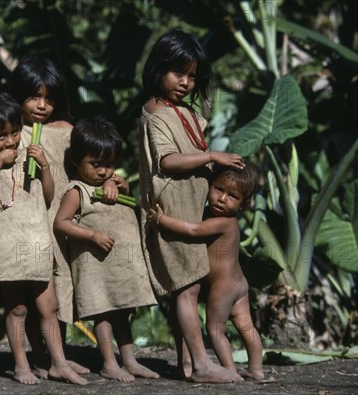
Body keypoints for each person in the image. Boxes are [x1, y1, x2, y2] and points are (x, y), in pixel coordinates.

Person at [138, 28, 245, 383]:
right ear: (158, 70)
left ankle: (188, 365)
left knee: (188, 285)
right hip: (172, 210)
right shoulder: (157, 113)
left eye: (192, 76)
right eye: (177, 73)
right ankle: (200, 363)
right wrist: (212, 154)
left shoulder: (179, 110)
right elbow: (168, 161)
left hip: (187, 207)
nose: (185, 82)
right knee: (187, 288)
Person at [0, 92, 86, 386]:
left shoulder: (24, 160)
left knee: (48, 306)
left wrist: (43, 166)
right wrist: (0, 159)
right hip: (5, 248)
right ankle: (21, 365)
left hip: (37, 242)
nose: (10, 141)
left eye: (15, 133)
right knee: (17, 308)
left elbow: (48, 195)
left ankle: (57, 362)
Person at [54, 117, 159, 382]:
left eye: (109, 165)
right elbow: (61, 222)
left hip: (119, 268)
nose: (103, 172)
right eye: (96, 164)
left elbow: (130, 205)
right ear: (77, 162)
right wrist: (91, 235)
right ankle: (109, 362)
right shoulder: (77, 191)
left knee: (123, 311)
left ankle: (130, 360)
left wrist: (122, 185)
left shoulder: (114, 183)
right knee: (103, 314)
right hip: (95, 269)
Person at [6, 56, 90, 377]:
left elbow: (84, 167)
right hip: (28, 222)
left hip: (61, 221)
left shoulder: (67, 131)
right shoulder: (13, 134)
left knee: (62, 290)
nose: (42, 106)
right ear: (18, 97)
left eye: (49, 98)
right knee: (33, 294)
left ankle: (60, 355)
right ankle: (42, 357)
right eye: (34, 97)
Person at [148, 165, 265, 381]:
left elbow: (192, 230)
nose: (222, 199)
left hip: (224, 285)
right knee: (246, 326)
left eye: (232, 196)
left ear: (244, 204)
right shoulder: (219, 218)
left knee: (215, 328)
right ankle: (256, 370)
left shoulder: (223, 222)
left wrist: (162, 220)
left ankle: (228, 371)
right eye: (219, 189)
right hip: (240, 283)